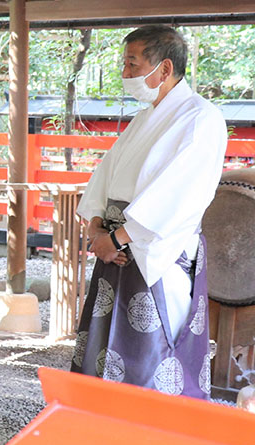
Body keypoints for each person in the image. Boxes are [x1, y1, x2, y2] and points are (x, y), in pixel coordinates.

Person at [72, 25, 226, 398]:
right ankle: (104, 424)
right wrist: (96, 229)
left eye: (132, 64)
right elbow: (106, 174)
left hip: (155, 247)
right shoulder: (144, 119)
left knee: (151, 351)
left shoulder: (201, 118)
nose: (125, 74)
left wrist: (118, 238)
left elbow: (178, 194)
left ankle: (154, 435)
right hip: (114, 244)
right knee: (104, 345)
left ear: (164, 69)